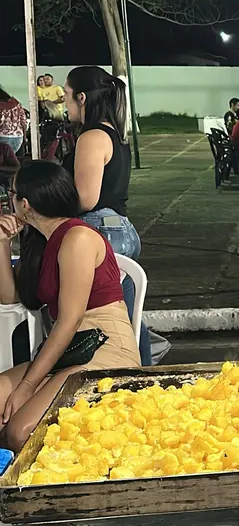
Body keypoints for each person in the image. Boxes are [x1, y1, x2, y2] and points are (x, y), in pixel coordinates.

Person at [0, 162, 140, 451]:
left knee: (20, 432)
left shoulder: (77, 238)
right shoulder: (41, 240)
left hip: (104, 349)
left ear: (25, 204)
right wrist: (1, 243)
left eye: (10, 193)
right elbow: (10, 298)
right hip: (69, 349)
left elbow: (69, 320)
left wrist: (27, 386)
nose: (7, 200)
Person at [61, 66, 153, 366]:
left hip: (100, 231)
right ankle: (143, 372)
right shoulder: (112, 132)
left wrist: (48, 205)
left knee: (100, 319)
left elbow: (86, 198)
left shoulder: (92, 136)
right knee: (124, 318)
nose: (63, 101)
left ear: (82, 97)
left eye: (66, 94)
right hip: (118, 230)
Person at [0, 85, 27, 154]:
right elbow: (23, 122)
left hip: (2, 138)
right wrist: (24, 138)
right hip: (17, 139)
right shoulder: (16, 103)